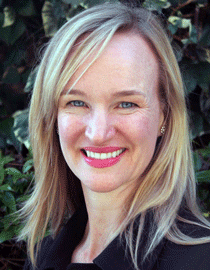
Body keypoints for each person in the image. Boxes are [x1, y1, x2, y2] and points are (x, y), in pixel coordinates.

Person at [18, 2, 210, 270]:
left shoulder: (201, 259)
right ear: (52, 116)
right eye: (76, 102)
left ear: (164, 116)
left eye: (126, 104)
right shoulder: (42, 256)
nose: (98, 134)